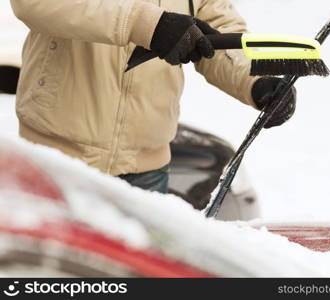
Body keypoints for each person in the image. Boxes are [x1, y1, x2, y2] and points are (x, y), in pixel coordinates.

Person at [11, 0, 296, 194]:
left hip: (146, 168)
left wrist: (257, 80)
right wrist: (145, 23)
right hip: (56, 159)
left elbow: (216, 28)